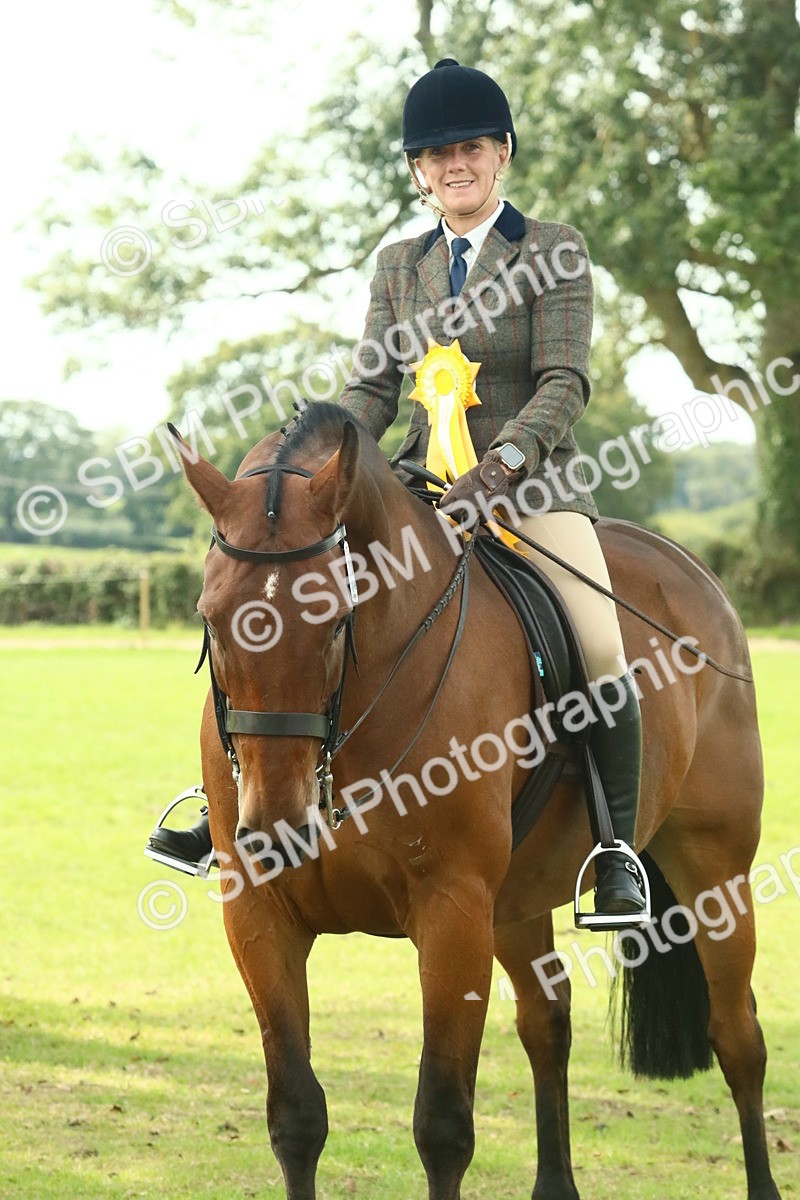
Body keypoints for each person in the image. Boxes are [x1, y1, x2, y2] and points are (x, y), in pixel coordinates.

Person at [146, 58, 647, 922]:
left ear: (503, 156)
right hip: (416, 492)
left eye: (473, 149)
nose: (457, 164)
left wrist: (502, 469)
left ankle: (614, 855)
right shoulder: (398, 264)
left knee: (601, 650)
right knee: (286, 611)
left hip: (530, 492)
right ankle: (227, 813)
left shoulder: (553, 249)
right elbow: (373, 392)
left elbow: (566, 381)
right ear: (419, 173)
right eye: (438, 154)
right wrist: (308, 468)